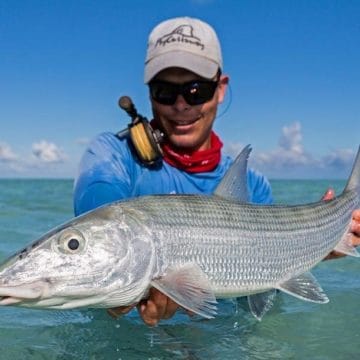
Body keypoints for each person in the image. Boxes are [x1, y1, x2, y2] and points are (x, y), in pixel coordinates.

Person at [73, 16, 360, 326]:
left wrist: (318, 243)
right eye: (165, 91)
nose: (181, 105)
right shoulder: (113, 154)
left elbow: (260, 293)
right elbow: (102, 219)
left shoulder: (253, 184)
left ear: (220, 88)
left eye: (196, 90)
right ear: (149, 93)